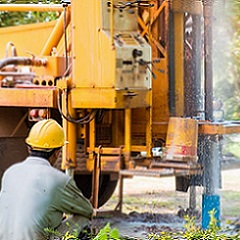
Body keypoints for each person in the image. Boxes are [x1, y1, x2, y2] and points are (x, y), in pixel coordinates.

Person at [0, 118, 93, 240]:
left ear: (29, 148)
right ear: (57, 153)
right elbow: (87, 210)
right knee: (82, 220)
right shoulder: (59, 180)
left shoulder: (11, 172)